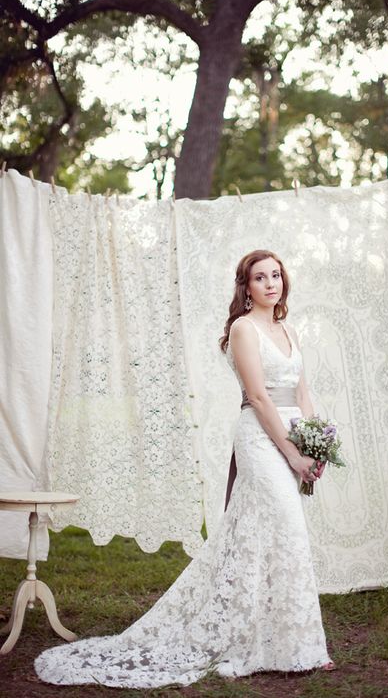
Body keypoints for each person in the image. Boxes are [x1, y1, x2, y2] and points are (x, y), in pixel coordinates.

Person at [35, 249, 334, 689]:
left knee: (269, 539)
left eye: (276, 275)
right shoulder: (243, 329)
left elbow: (301, 389)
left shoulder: (287, 328)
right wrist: (292, 454)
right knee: (285, 529)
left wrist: (314, 440)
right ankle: (282, 645)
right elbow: (260, 397)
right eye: (260, 278)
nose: (271, 283)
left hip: (293, 436)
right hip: (261, 438)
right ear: (246, 287)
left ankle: (283, 642)